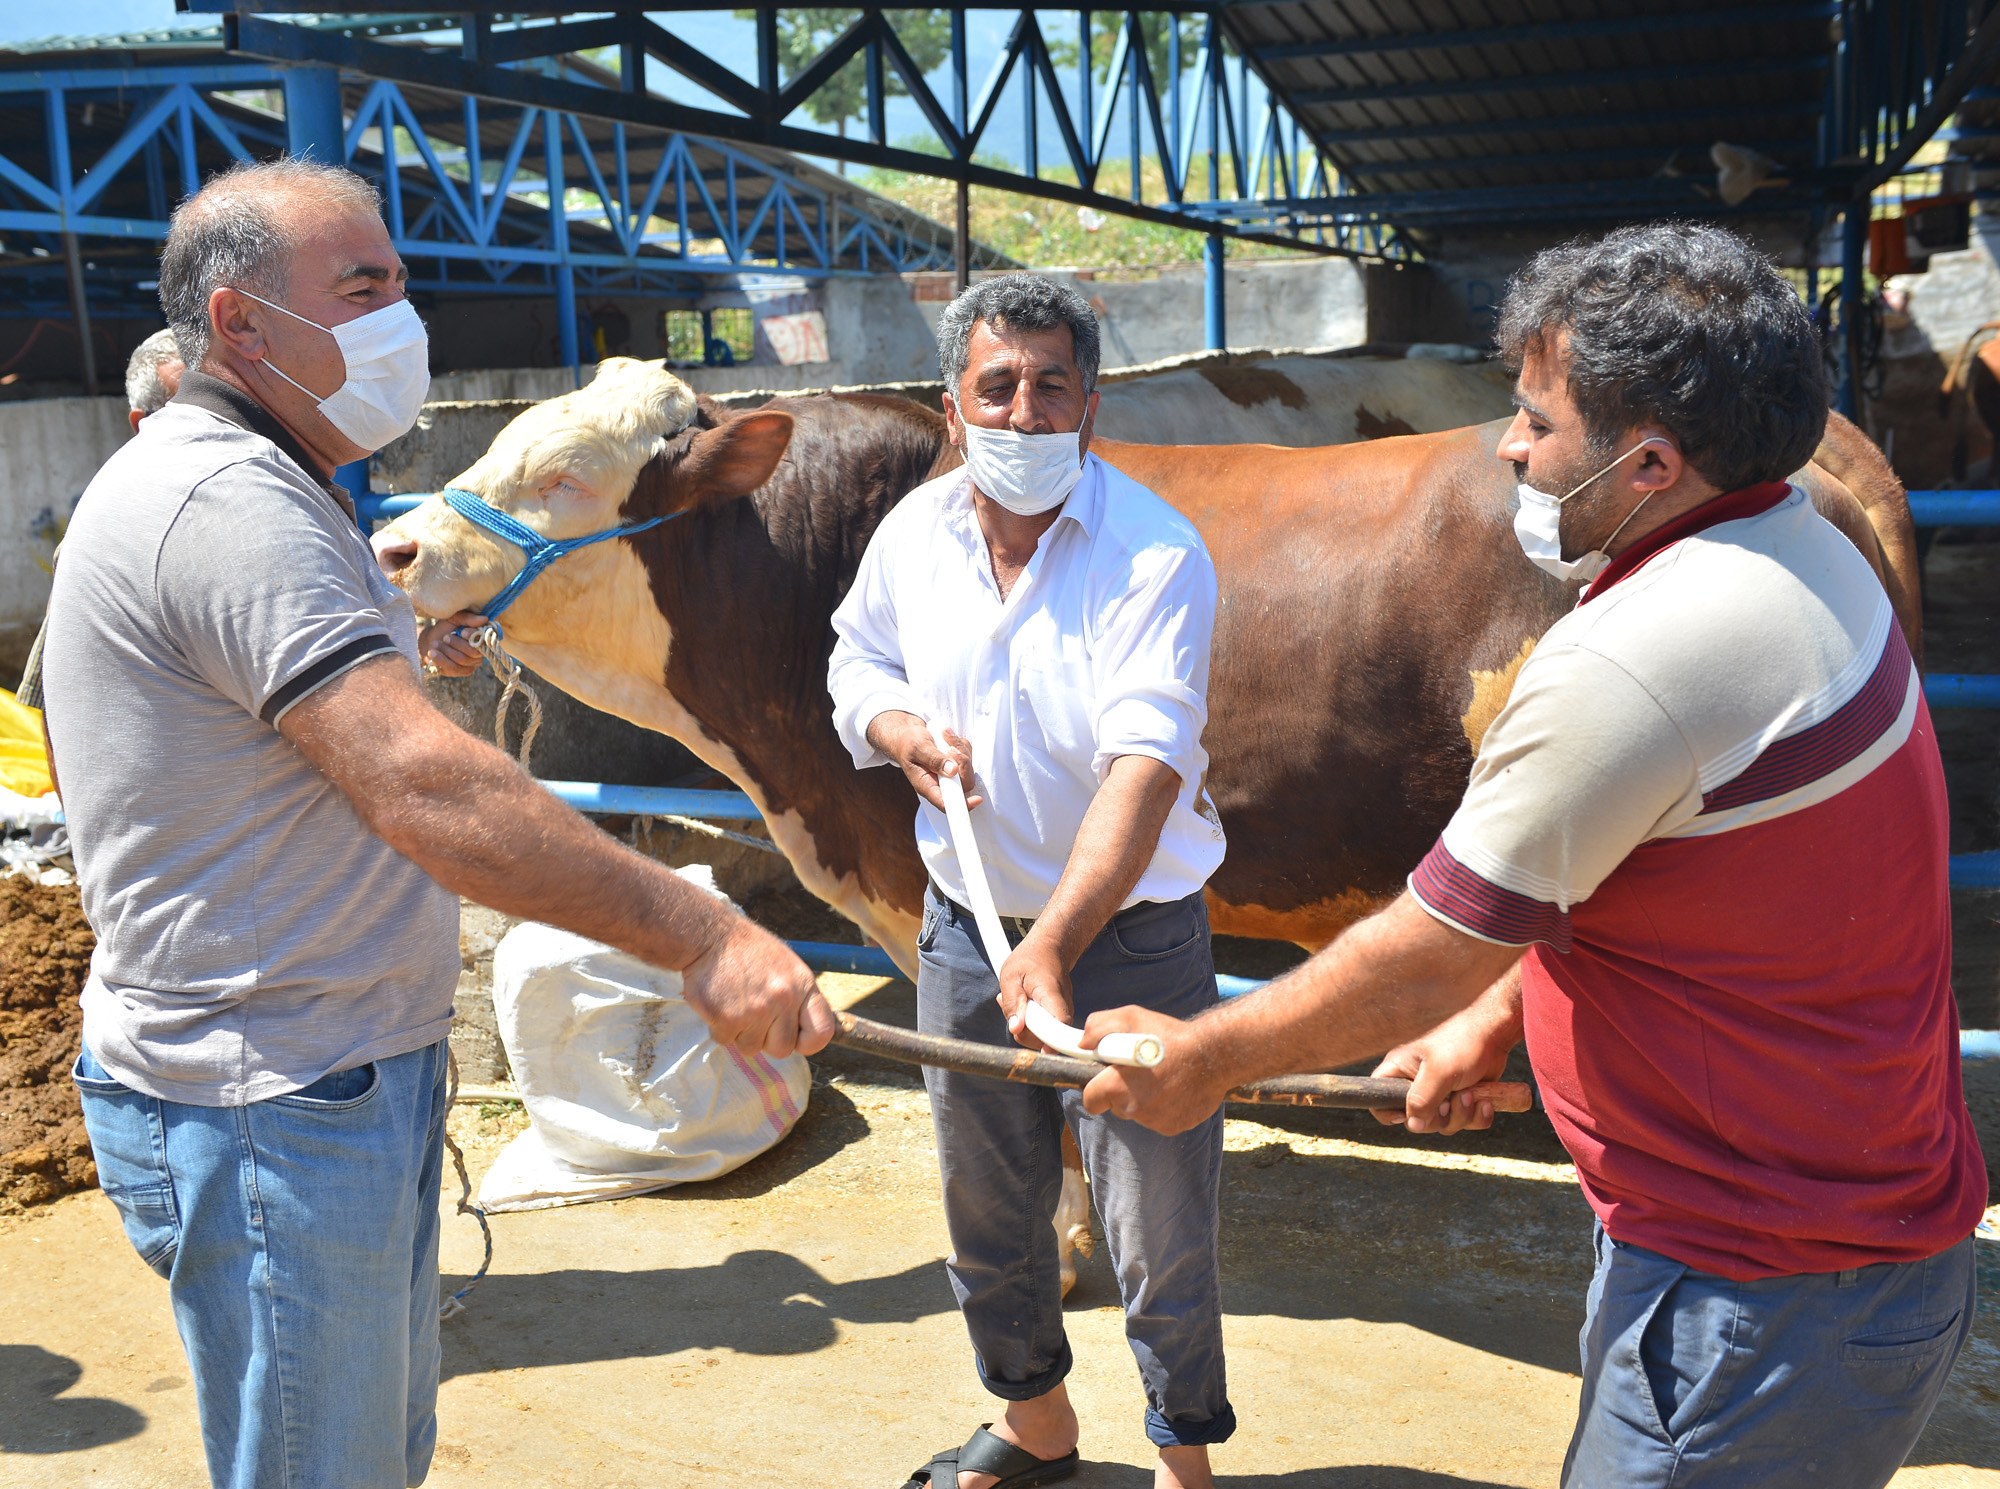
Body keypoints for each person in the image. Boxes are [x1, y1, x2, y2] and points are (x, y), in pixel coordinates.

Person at [1082, 223, 1986, 1489]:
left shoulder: (1631, 654)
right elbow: (1637, 865)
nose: (1507, 445)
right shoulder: (1799, 545)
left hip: (1748, 1300)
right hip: (1852, 1248)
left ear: (1648, 463)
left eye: (1534, 422)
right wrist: (1499, 1018)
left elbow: (1422, 953)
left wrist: (1207, 1058)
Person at [43, 156, 835, 1489]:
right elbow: (422, 783)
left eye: (402, 281)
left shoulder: (281, 490)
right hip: (272, 1100)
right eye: (362, 289)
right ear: (239, 324)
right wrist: (702, 933)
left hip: (317, 1069)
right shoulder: (232, 506)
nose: (401, 319)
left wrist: (404, 649)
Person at [828, 274, 1233, 1489]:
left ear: (1090, 406)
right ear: (950, 409)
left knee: (1156, 1220)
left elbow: (1145, 766)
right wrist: (898, 730)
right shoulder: (913, 533)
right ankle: (1037, 1422)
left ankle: (1182, 1457)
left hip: (1132, 937)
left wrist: (1052, 939)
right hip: (964, 926)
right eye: (994, 387)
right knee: (989, 1211)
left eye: (1049, 385)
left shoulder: (1153, 550)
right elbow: (857, 661)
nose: (1020, 412)